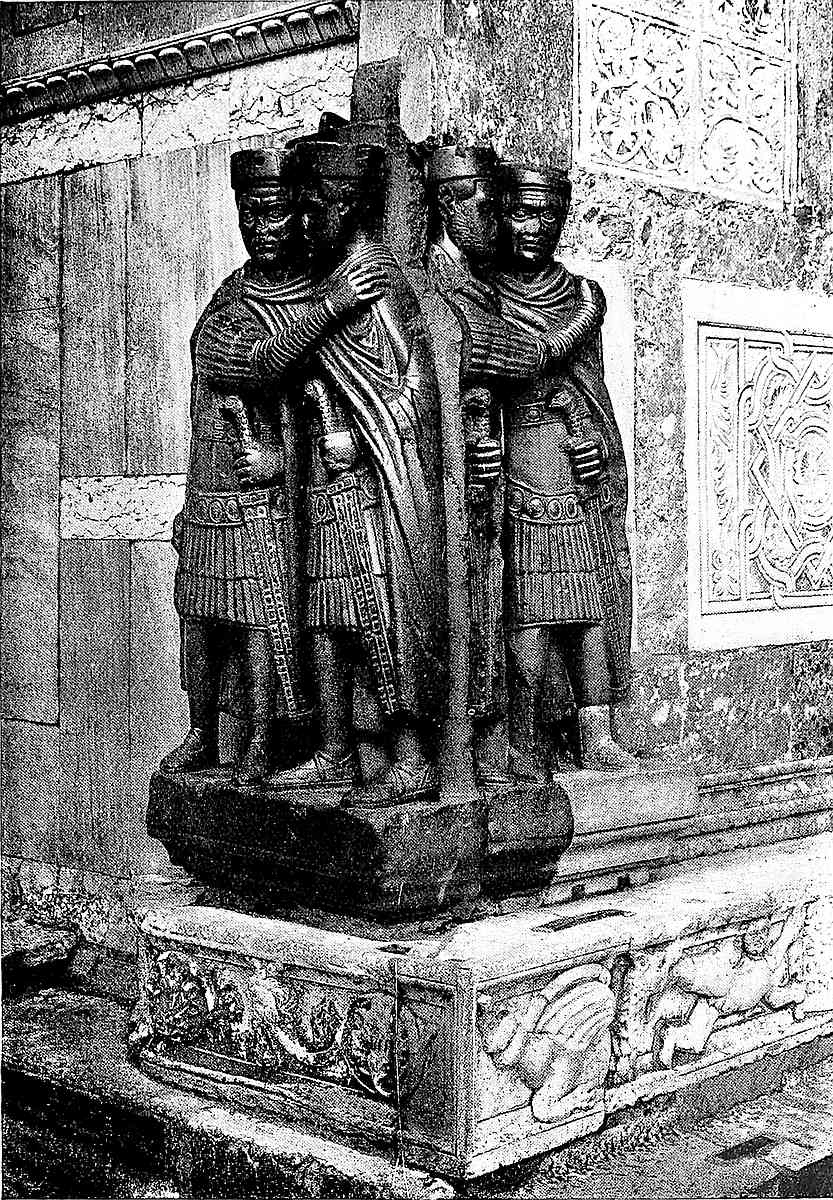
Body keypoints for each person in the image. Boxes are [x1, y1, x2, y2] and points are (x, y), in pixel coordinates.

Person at [161, 148, 385, 783]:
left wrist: (328, 309)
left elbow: (344, 391)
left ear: (302, 216)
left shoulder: (327, 288)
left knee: (265, 622)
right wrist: (327, 308)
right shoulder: (240, 296)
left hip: (284, 494)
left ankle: (264, 741)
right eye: (250, 214)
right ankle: (207, 732)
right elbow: (239, 362)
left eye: (276, 212)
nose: (261, 228)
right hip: (219, 481)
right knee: (203, 622)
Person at [268, 135, 449, 805]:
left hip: (374, 486)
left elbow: (415, 385)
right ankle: (335, 752)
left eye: (312, 207)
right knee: (326, 623)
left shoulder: (376, 280)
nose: (302, 221)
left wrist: (367, 438)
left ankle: (411, 759)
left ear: (347, 205)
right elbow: (277, 362)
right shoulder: (333, 285)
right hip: (326, 484)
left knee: (385, 617)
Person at [490, 164, 636, 774]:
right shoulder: (483, 292)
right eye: (521, 212)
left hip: (574, 467)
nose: (533, 227)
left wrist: (594, 440)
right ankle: (528, 731)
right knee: (526, 614)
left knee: (590, 609)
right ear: (501, 215)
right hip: (518, 467)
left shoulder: (580, 294)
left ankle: (595, 728)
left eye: (547, 214)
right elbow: (484, 378)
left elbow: (589, 387)